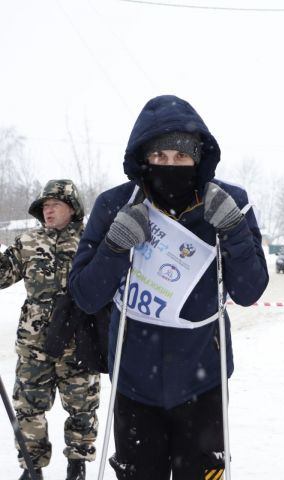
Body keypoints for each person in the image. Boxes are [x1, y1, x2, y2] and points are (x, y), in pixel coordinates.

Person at [68, 95, 269, 480]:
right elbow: (85, 294)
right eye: (160, 156)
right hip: (133, 381)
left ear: (199, 158)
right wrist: (114, 245)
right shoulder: (114, 205)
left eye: (182, 157)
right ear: (143, 158)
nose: (170, 165)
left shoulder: (229, 203)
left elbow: (249, 290)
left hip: (203, 379)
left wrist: (234, 229)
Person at [0, 180, 99, 480]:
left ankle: (77, 465)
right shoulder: (27, 242)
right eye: (44, 205)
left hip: (78, 344)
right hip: (34, 346)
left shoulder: (90, 242)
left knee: (82, 408)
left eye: (54, 204)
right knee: (28, 408)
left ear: (72, 208)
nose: (48, 210)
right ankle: (33, 468)